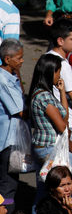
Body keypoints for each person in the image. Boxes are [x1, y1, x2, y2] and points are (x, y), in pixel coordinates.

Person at [0, 39, 25, 204]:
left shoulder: (10, 76)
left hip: (11, 140)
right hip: (6, 143)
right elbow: (20, 109)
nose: (22, 61)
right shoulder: (3, 81)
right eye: (18, 58)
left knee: (12, 182)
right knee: (7, 186)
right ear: (7, 59)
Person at [29, 53, 68, 202]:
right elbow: (62, 126)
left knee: (43, 189)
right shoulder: (43, 96)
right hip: (50, 149)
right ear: (51, 72)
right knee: (54, 191)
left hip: (44, 147)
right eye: (58, 71)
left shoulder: (44, 93)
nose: (59, 75)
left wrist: (62, 91)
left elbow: (64, 115)